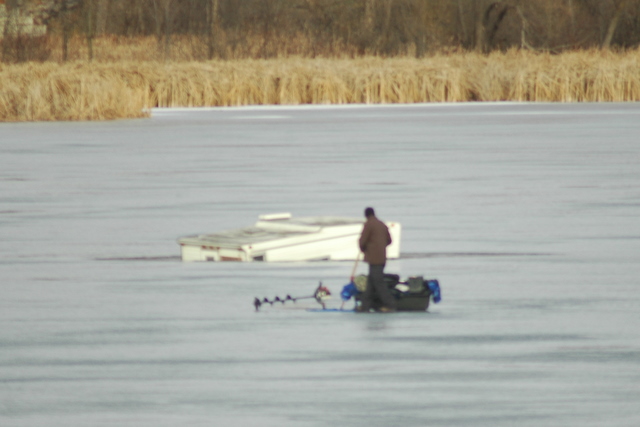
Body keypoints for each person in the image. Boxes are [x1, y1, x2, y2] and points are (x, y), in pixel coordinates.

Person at [357, 207, 396, 313]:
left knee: (378, 282)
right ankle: (365, 306)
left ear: (366, 215)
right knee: (371, 282)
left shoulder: (368, 224)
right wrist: (381, 247)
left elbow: (362, 241)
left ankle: (390, 305)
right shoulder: (382, 224)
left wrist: (365, 249)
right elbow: (389, 240)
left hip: (374, 259)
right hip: (382, 258)